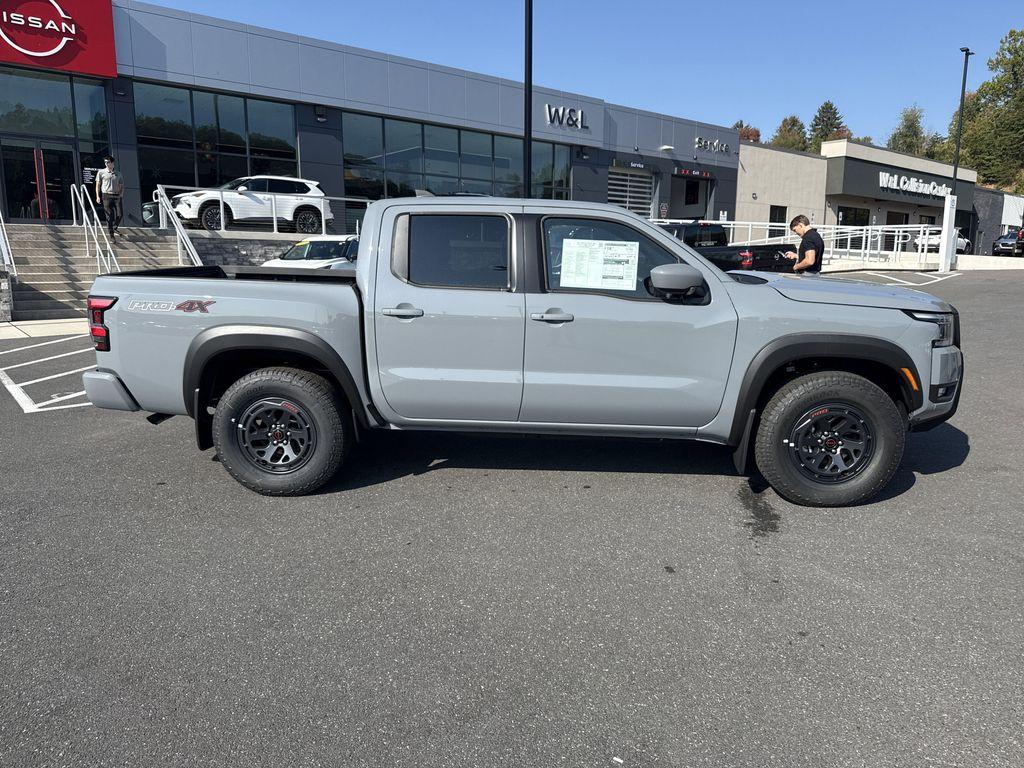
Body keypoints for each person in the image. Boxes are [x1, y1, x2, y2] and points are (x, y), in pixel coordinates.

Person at [95, 156, 124, 238]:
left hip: (116, 196)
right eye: (105, 162)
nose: (106, 164)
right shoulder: (101, 172)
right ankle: (111, 235)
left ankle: (115, 227)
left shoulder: (118, 173)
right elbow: (98, 185)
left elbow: (121, 185)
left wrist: (121, 194)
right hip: (106, 195)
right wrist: (98, 196)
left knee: (120, 214)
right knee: (109, 215)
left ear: (112, 163)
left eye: (108, 162)